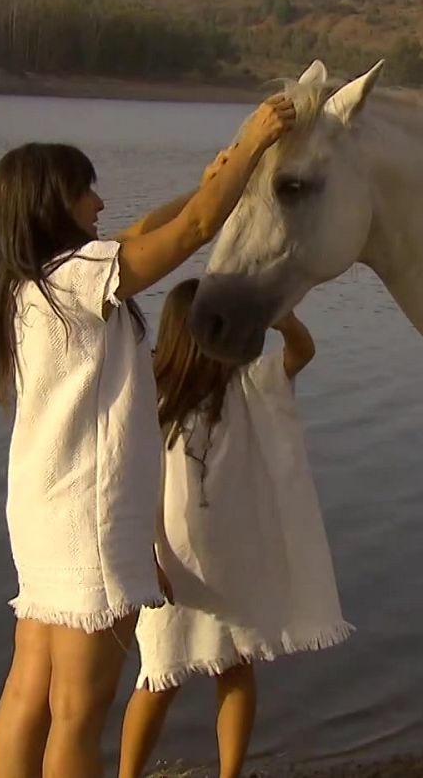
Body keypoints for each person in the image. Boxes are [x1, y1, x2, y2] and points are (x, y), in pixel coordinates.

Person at [0, 93, 296, 778]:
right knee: (78, 713)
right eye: (85, 191)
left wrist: (212, 183)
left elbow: (151, 227)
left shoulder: (26, 286)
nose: (100, 202)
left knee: (29, 688)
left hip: (41, 511)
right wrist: (256, 143)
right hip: (87, 516)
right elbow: (195, 228)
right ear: (52, 206)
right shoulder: (79, 280)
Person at [117, 281, 351, 778]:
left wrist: (275, 313)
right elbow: (130, 485)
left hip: (232, 558)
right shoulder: (152, 396)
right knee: (160, 672)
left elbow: (302, 351)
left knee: (235, 662)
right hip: (173, 565)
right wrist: (143, 558)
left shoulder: (245, 385)